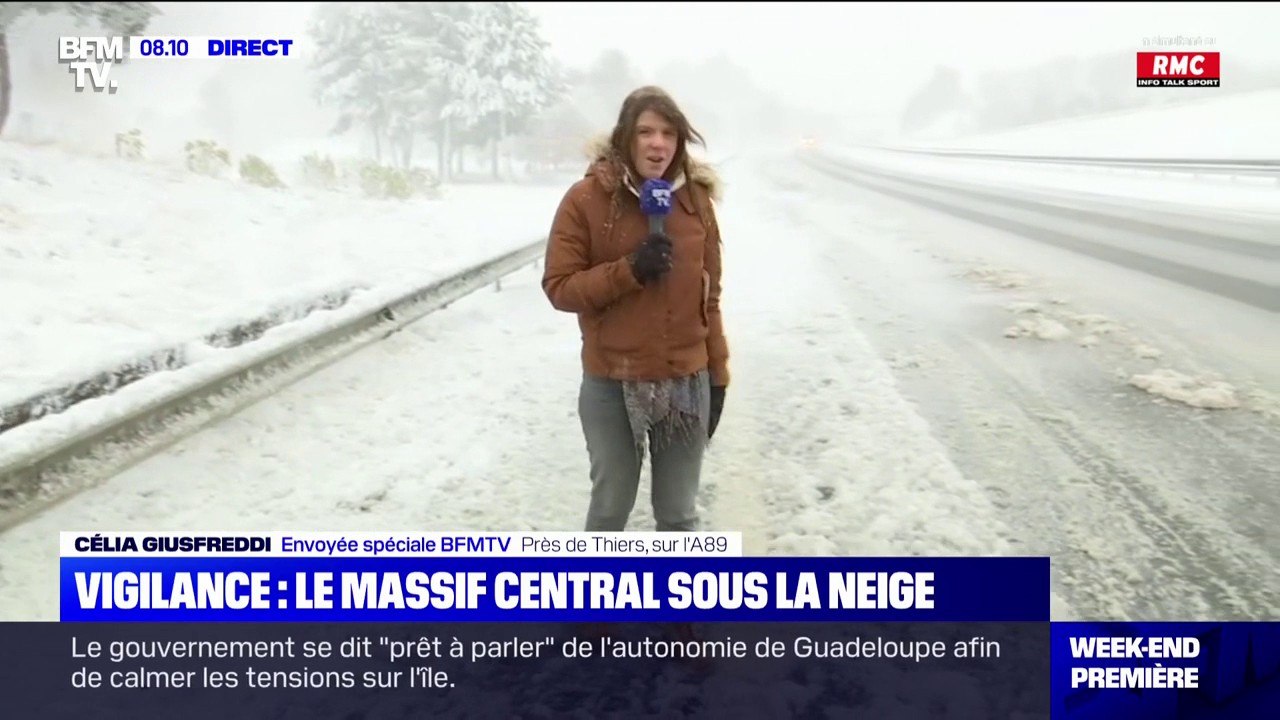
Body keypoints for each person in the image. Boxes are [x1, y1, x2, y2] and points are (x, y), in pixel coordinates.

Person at [542, 86, 729, 533]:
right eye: (645, 131)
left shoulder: (695, 202)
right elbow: (559, 286)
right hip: (612, 382)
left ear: (679, 141)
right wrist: (629, 270)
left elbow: (711, 297)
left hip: (686, 381)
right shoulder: (586, 199)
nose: (657, 143)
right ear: (626, 137)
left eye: (668, 132)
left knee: (679, 514)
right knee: (610, 509)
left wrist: (717, 375)